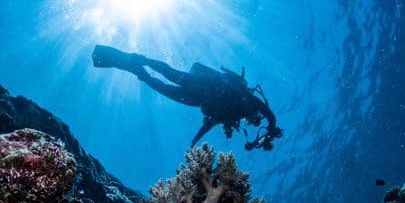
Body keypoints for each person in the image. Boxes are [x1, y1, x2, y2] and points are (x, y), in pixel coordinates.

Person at [92, 45, 283, 150]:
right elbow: (271, 116)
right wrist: (271, 129)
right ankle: (142, 60)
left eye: (252, 121)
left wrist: (194, 142)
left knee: (161, 86)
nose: (252, 119)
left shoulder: (232, 117)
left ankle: (138, 70)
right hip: (203, 84)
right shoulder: (249, 100)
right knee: (170, 74)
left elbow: (208, 125)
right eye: (255, 118)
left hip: (195, 99)